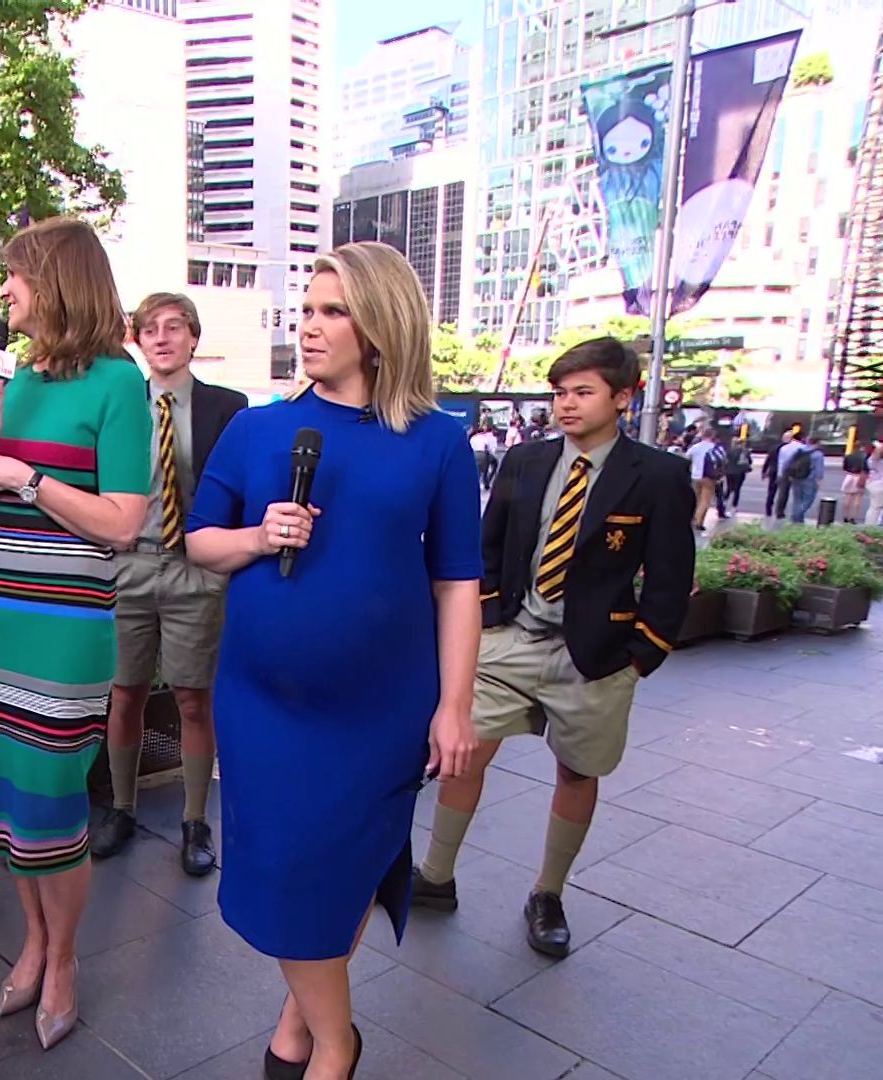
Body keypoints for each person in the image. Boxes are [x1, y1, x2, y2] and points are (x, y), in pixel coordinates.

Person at [184, 243, 483, 1080]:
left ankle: (317, 1036)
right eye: (306, 311)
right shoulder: (256, 428)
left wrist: (454, 704)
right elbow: (199, 542)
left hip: (382, 710)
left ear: (380, 326)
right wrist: (257, 535)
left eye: (332, 311)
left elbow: (458, 584)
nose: (309, 327)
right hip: (262, 705)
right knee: (285, 867)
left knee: (343, 863)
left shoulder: (438, 442)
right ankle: (334, 1031)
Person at [414, 336, 694, 959]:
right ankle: (435, 876)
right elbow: (486, 547)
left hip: (594, 657)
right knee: (462, 754)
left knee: (576, 771)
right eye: (560, 393)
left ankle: (548, 893)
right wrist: (487, 618)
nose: (566, 404)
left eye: (583, 392)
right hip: (509, 640)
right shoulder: (526, 460)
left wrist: (639, 656)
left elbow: (671, 577)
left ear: (623, 399)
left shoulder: (658, 475)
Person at [0, 217, 149, 1052]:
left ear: (58, 282)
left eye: (16, 274)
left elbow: (124, 523)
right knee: (5, 792)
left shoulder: (119, 383)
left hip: (62, 628)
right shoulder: (13, 378)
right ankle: (31, 939)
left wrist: (26, 476)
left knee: (53, 798)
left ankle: (62, 959)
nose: (6, 290)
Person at [91, 292, 245, 876]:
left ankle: (195, 819)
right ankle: (123, 808)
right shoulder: (119, 402)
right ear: (137, 340)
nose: (161, 337)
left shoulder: (227, 408)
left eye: (173, 327)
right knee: (124, 693)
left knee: (193, 699)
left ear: (193, 337)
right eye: (149, 328)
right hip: (128, 564)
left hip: (195, 569)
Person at [787, 432, 826, 525]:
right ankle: (796, 516)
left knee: (797, 500)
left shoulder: (799, 451)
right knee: (808, 500)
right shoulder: (818, 454)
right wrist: (819, 481)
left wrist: (790, 475)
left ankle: (797, 520)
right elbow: (819, 470)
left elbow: (790, 463)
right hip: (810, 479)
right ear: (818, 442)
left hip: (796, 477)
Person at [687, 425, 719, 532]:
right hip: (708, 476)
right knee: (705, 500)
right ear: (712, 436)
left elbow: (687, 457)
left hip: (695, 476)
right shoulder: (714, 447)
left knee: (695, 498)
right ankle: (698, 521)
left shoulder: (695, 447)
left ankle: (691, 518)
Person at [767, 427, 800, 519]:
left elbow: (768, 460)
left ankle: (768, 509)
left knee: (771, 492)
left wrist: (764, 471)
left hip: (773, 471)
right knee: (783, 493)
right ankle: (780, 511)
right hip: (784, 473)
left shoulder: (774, 447)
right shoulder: (790, 449)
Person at [839, 439, 870, 523]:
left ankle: (845, 516)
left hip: (849, 476)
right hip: (859, 477)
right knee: (857, 499)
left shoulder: (848, 456)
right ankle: (853, 518)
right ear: (862, 447)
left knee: (847, 497)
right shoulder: (865, 457)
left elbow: (844, 468)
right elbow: (867, 468)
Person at [723, 434, 751, 513]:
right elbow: (749, 461)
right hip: (739, 472)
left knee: (729, 488)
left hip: (729, 472)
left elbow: (725, 461)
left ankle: (724, 502)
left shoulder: (728, 451)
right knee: (737, 489)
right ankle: (734, 506)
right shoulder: (744, 451)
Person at [470, 422, 500, 488]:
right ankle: (486, 481)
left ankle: (476, 484)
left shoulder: (472, 438)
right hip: (483, 454)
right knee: (490, 465)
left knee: (477, 470)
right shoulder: (484, 438)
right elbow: (487, 447)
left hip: (474, 454)